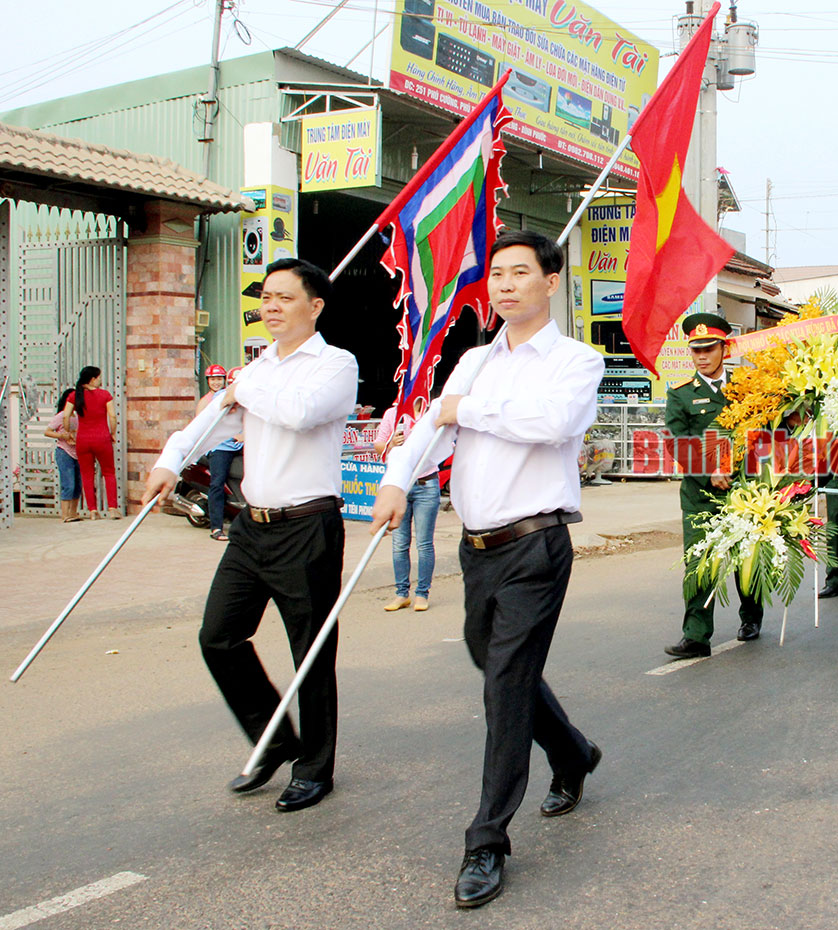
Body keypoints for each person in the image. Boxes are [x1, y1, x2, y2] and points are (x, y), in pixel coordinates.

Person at [371, 230, 603, 910]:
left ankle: (486, 841)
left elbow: (554, 424)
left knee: (503, 688)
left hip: (535, 545)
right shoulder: (472, 360)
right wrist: (395, 478)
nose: (503, 285)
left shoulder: (575, 361)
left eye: (519, 273)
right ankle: (572, 752)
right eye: (496, 274)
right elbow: (432, 430)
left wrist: (463, 410)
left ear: (550, 282)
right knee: (495, 662)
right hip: (476, 549)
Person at [143, 258, 358, 814]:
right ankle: (275, 738)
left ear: (315, 306)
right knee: (218, 636)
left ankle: (315, 768)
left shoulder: (334, 365)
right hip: (251, 528)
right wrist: (170, 461)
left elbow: (301, 413)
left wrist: (244, 389)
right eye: (266, 297)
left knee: (310, 653)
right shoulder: (256, 370)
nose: (271, 307)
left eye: (285, 298)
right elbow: (209, 424)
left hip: (307, 526)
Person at [662, 312, 764, 658]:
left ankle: (751, 617)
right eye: (696, 350)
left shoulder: (748, 387)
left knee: (745, 558)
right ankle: (696, 635)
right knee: (700, 564)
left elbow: (764, 432)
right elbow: (677, 441)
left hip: (744, 490)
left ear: (725, 348)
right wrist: (709, 471)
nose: (702, 356)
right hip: (700, 495)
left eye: (709, 349)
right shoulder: (681, 394)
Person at [376, 396, 438, 612]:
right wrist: (392, 443)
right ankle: (401, 593)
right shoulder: (392, 414)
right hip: (400, 487)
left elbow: (446, 444)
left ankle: (422, 593)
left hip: (426, 483)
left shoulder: (431, 414)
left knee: (424, 543)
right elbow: (379, 445)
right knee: (400, 543)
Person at [63, 366, 120, 519]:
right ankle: (113, 508)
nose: (101, 380)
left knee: (87, 475)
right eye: (99, 378)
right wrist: (112, 432)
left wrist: (68, 433)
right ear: (93, 379)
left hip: (83, 439)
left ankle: (93, 511)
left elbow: (66, 416)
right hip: (102, 438)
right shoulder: (105, 395)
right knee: (109, 473)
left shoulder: (74, 396)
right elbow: (113, 417)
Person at [197, 365, 244, 541]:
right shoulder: (212, 400)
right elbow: (202, 426)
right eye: (213, 379)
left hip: (239, 446)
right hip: (220, 447)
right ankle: (216, 527)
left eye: (220, 379)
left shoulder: (241, 398)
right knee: (217, 483)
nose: (217, 382)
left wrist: (245, 435)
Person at [43, 389, 81, 523]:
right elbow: (47, 432)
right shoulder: (61, 416)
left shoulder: (77, 416)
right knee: (68, 483)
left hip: (78, 452)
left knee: (78, 484)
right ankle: (65, 514)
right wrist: (61, 435)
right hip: (64, 451)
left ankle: (73, 513)